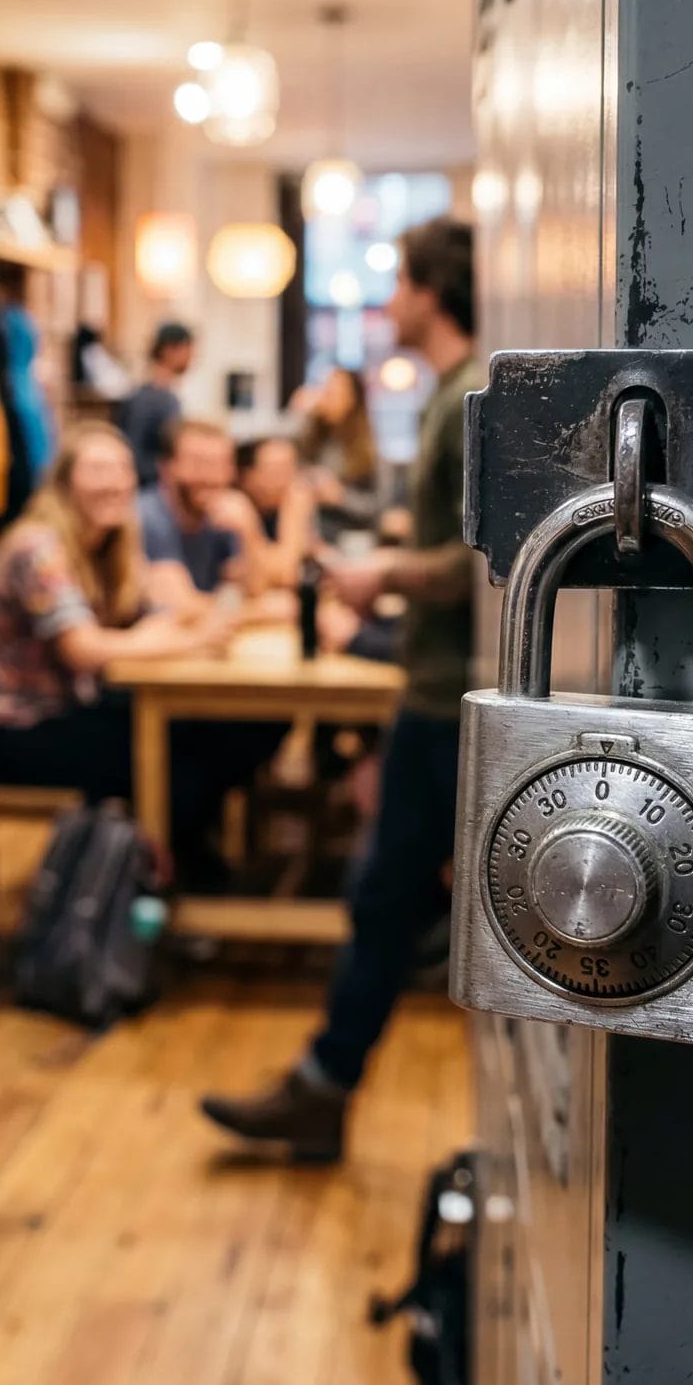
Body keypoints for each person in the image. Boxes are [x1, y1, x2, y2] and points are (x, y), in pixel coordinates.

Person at [200, 216, 481, 1163]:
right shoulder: (454, 393)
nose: (386, 302)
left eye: (398, 282)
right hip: (440, 687)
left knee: (384, 895)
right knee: (384, 895)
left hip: (448, 695)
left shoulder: (463, 395)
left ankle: (323, 1091)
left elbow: (484, 560)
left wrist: (381, 575)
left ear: (433, 291)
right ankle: (323, 1088)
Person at [0, 422, 231, 819]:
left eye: (123, 469)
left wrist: (162, 624)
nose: (115, 483)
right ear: (65, 481)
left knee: (204, 733)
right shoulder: (39, 547)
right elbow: (83, 650)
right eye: (98, 469)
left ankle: (162, 861)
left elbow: (160, 611)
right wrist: (191, 639)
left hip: (68, 709)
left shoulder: (110, 542)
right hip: (10, 729)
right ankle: (151, 868)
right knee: (177, 760)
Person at [137, 417, 250, 608]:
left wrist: (249, 529)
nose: (211, 477)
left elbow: (250, 588)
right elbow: (181, 607)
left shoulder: (220, 517)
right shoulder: (146, 517)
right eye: (199, 464)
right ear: (166, 467)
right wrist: (260, 611)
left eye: (221, 464)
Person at [296, 366, 382, 543]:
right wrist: (299, 414)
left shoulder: (369, 449)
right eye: (324, 389)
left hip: (352, 540)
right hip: (312, 538)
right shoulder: (312, 438)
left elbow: (380, 509)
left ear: (352, 398)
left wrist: (340, 496)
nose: (325, 395)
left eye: (333, 390)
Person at [116, 321, 195, 487]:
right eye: (187, 349)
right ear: (168, 350)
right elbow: (133, 453)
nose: (191, 357)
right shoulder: (148, 399)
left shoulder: (166, 395)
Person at [237, 436, 317, 591]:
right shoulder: (232, 509)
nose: (287, 481)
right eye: (276, 471)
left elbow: (291, 571)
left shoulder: (285, 505)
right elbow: (285, 574)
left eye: (291, 469)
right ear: (246, 477)